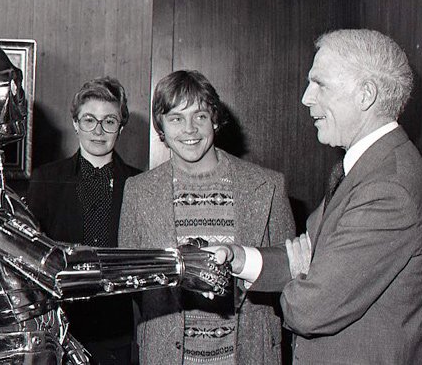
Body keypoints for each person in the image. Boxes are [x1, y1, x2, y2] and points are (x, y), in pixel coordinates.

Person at [0, 30, 229, 364]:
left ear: (121, 126)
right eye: (7, 88)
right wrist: (177, 263)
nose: (18, 99)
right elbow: (57, 270)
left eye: (109, 121)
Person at [213, 29, 422, 364]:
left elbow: (310, 310)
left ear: (365, 94)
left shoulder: (389, 189)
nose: (307, 97)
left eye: (319, 84)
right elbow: (310, 250)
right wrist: (240, 259)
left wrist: (304, 273)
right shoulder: (365, 167)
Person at [119, 70, 296, 364]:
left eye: (199, 116)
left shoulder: (267, 186)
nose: (190, 129)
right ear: (160, 127)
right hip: (167, 355)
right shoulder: (138, 191)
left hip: (249, 352)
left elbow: (291, 270)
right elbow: (131, 283)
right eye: (176, 118)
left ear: (215, 119)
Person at [27, 77, 140, 364]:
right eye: (89, 120)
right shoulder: (46, 178)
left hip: (120, 329)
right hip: (60, 327)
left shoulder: (142, 183)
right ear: (75, 123)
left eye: (109, 122)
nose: (99, 130)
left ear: (122, 127)